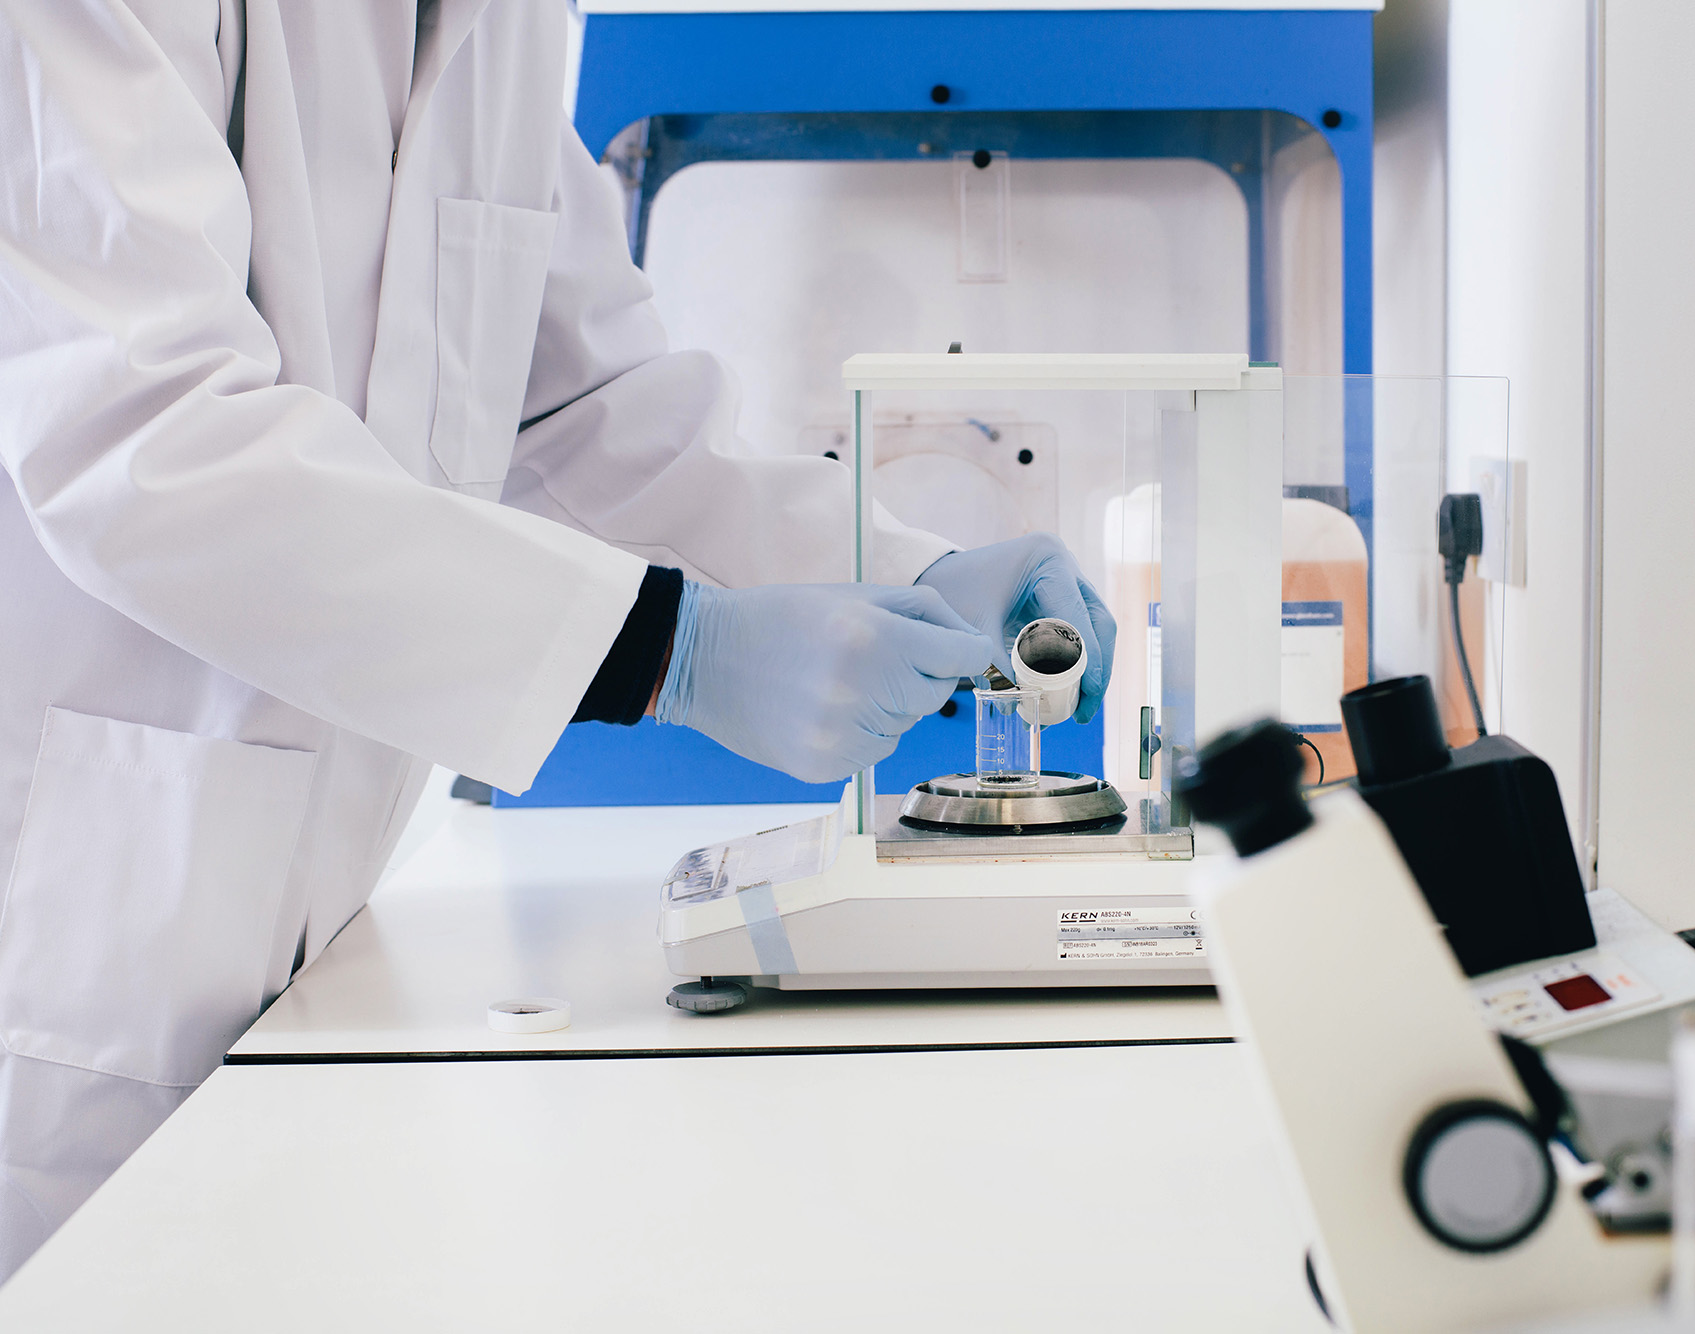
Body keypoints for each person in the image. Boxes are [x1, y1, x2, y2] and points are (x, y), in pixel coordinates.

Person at [0, 0, 1113, 1276]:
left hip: (306, 922)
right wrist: (669, 651)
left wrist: (917, 579)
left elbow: (587, 411)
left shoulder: (510, 22)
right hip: (71, 921)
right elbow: (147, 442)